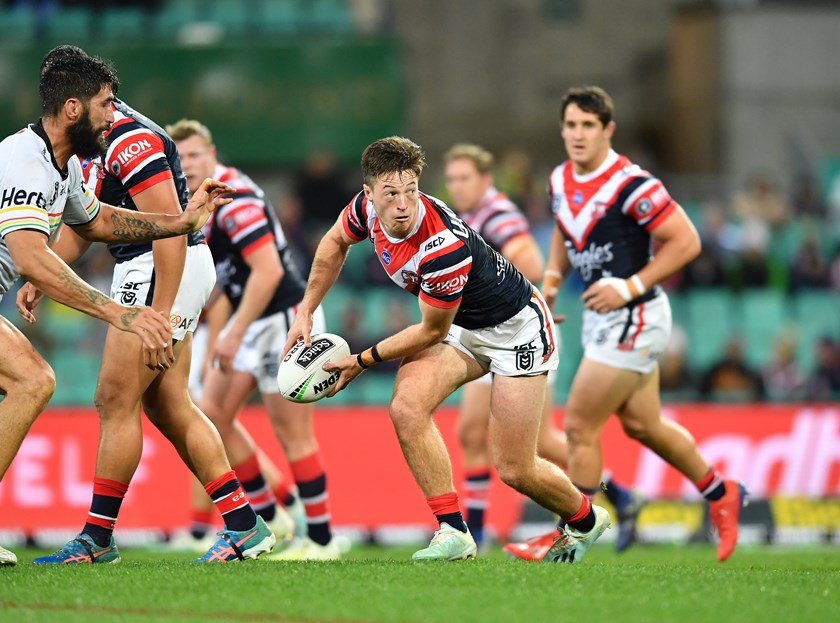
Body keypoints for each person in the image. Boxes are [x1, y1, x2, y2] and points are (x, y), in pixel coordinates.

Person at [284, 136, 611, 563]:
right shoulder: (365, 209)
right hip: (464, 325)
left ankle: (586, 518)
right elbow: (333, 243)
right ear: (369, 193)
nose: (403, 204)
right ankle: (454, 530)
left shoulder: (441, 247)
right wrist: (306, 310)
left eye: (411, 190)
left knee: (515, 468)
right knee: (407, 407)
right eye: (391, 194)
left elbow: (431, 331)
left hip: (516, 332)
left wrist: (362, 360)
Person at [18, 46, 275, 564]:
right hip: (151, 266)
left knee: (114, 398)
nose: (110, 109)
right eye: (104, 101)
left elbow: (170, 228)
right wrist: (45, 272)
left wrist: (158, 311)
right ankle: (245, 525)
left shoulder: (129, 140)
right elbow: (91, 223)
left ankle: (97, 539)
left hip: (160, 268)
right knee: (168, 404)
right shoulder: (88, 142)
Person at [509, 86, 746, 563]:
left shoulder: (632, 184)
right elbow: (566, 230)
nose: (578, 134)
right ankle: (722, 493)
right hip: (603, 319)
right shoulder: (560, 179)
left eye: (588, 125)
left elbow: (686, 241)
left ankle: (572, 533)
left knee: (579, 425)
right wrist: (552, 280)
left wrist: (628, 286)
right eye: (571, 125)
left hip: (636, 315)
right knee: (643, 424)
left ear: (608, 130)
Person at [443, 143, 643, 552]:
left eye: (464, 178)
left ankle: (616, 494)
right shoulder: (468, 217)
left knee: (538, 445)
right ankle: (475, 532)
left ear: (486, 180)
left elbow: (531, 263)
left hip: (518, 334)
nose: (456, 186)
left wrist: (502, 298)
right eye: (451, 179)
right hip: (488, 334)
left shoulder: (497, 215)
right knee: (473, 432)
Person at [168, 118, 340, 560]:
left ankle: (322, 539)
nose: (187, 164)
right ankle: (270, 514)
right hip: (252, 319)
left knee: (292, 434)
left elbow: (268, 271)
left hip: (284, 319)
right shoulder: (198, 200)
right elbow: (228, 277)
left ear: (212, 154)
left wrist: (231, 332)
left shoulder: (235, 199)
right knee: (212, 414)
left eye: (194, 155)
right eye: (180, 157)